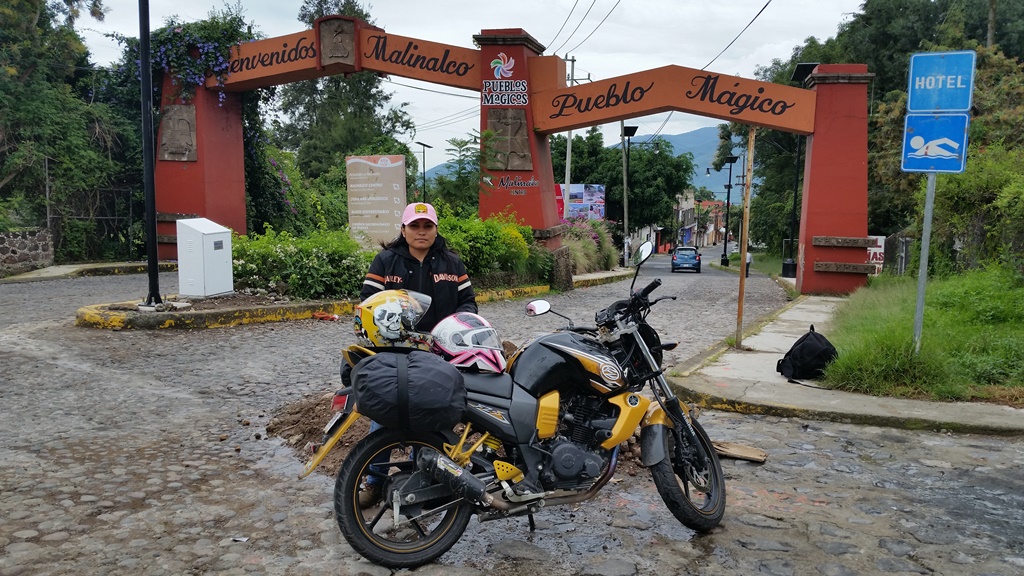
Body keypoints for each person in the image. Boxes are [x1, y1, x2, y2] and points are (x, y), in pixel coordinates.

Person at [356, 202, 477, 508]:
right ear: (404, 229)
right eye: (415, 226)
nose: (421, 232)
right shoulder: (385, 262)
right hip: (392, 352)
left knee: (432, 416)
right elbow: (367, 303)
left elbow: (469, 305)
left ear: (436, 229)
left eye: (427, 226)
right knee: (384, 414)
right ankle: (374, 481)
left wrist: (454, 329)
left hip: (439, 353)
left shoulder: (452, 264)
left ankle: (422, 480)